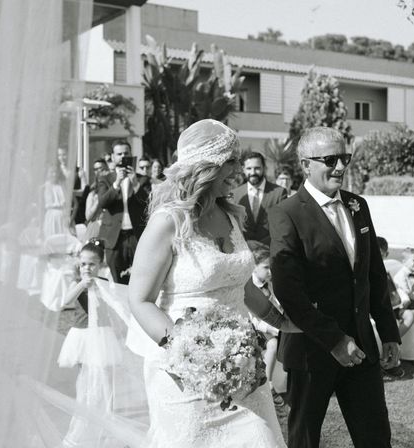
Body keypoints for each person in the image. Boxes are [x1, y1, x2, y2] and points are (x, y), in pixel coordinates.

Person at [128, 119, 290, 448]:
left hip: (243, 369)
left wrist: (282, 322)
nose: (238, 169)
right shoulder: (167, 222)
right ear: (207, 165)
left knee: (263, 440)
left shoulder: (230, 216)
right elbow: (140, 300)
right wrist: (191, 355)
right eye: (231, 160)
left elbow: (242, 287)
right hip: (185, 377)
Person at [269, 127, 401, 448]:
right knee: (304, 439)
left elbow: (373, 274)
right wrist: (335, 341)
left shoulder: (358, 205)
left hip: (362, 349)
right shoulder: (286, 213)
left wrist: (388, 332)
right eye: (331, 159)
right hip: (312, 351)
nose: (341, 166)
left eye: (345, 157)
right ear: (305, 165)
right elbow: (289, 293)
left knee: (376, 438)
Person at [54, 240, 127, 448]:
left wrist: (119, 330)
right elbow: (66, 301)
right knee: (83, 376)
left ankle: (109, 416)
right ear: (79, 265)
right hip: (82, 335)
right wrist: (81, 284)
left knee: (105, 375)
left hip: (102, 334)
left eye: (92, 264)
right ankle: (83, 409)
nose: (87, 268)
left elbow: (114, 305)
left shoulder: (103, 281)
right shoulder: (77, 282)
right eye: (83, 264)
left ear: (100, 265)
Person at [96, 140, 152, 284]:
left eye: (125, 153)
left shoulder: (143, 179)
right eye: (119, 154)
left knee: (140, 280)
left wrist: (136, 184)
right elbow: (102, 203)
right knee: (116, 281)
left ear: (131, 155)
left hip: (136, 236)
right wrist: (116, 184)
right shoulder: (105, 179)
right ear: (113, 157)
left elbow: (150, 204)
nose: (122, 156)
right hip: (114, 238)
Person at [244, 240, 289, 405]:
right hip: (256, 326)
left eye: (271, 267)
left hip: (271, 324)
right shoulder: (250, 288)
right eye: (266, 268)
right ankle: (269, 383)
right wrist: (274, 329)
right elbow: (253, 318)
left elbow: (276, 305)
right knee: (273, 344)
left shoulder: (269, 285)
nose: (270, 272)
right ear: (254, 267)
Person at [232, 152, 287, 244]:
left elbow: (282, 226)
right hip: (243, 250)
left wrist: (261, 245)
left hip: (270, 250)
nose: (253, 172)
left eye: (257, 168)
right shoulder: (235, 194)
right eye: (249, 168)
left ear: (264, 169)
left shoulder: (279, 193)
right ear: (243, 170)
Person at [83, 158, 109, 242]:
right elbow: (88, 216)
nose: (99, 171)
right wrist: (99, 198)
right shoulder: (93, 193)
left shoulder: (113, 189)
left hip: (110, 228)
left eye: (102, 168)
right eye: (96, 169)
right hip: (96, 227)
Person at [41, 164, 70, 238]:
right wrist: (40, 224)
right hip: (51, 216)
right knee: (51, 239)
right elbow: (40, 208)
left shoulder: (62, 186)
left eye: (56, 172)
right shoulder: (43, 188)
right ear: (47, 173)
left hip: (62, 216)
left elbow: (70, 202)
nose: (54, 174)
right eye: (51, 172)